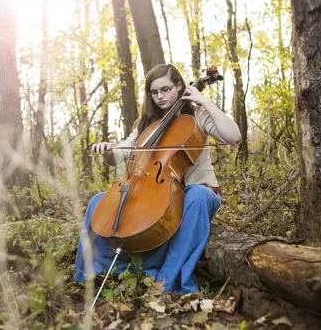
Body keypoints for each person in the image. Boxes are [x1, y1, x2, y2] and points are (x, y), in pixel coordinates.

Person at [74, 63, 241, 296]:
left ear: (179, 86)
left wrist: (203, 101)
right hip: (155, 191)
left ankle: (169, 282)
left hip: (196, 192)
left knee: (198, 196)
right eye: (154, 92)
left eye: (165, 89)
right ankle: (92, 273)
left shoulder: (198, 118)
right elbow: (120, 153)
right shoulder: (147, 126)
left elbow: (234, 135)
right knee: (97, 202)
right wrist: (108, 151)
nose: (160, 96)